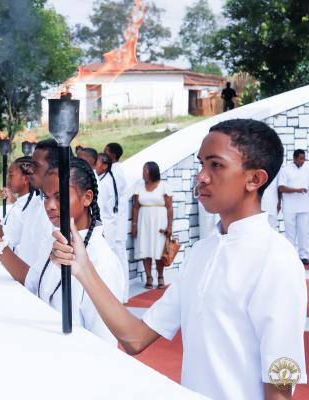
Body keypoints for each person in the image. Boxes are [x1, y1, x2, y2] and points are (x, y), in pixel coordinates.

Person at [51, 119, 307, 400]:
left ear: (255, 179)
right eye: (201, 164)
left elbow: (281, 385)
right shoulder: (202, 252)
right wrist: (83, 268)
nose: (202, 176)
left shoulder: (277, 260)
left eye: (216, 165)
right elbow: (135, 337)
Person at [0, 157, 124, 345]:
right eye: (45, 196)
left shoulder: (102, 261)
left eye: (60, 196)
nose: (50, 205)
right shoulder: (56, 241)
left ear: (87, 198)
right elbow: (33, 281)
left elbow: (104, 342)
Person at [132, 162, 173, 289]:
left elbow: (169, 207)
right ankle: (149, 277)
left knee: (159, 250)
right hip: (144, 222)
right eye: (143, 170)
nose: (143, 172)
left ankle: (160, 276)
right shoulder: (139, 186)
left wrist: (169, 226)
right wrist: (134, 225)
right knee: (145, 249)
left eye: (146, 170)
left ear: (153, 172)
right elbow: (136, 207)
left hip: (160, 221)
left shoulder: (163, 186)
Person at [104, 142, 130, 303]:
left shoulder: (115, 172)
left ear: (112, 155)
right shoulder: (112, 171)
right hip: (114, 222)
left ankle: (123, 294)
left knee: (120, 259)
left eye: (105, 152)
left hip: (117, 223)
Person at [278, 149, 309, 264]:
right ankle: (290, 256)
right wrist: (297, 190)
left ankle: (304, 256)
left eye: (304, 158)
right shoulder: (285, 170)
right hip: (290, 207)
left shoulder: (307, 169)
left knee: (304, 232)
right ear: (294, 158)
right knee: (290, 233)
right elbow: (281, 188)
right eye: (301, 158)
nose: (303, 161)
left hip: (304, 206)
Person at [95, 152, 118, 252]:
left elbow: (99, 205)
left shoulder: (104, 183)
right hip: (107, 224)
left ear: (104, 166)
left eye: (96, 163)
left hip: (106, 225)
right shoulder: (105, 178)